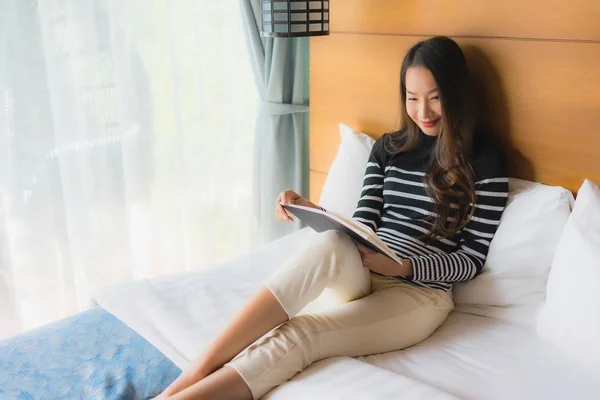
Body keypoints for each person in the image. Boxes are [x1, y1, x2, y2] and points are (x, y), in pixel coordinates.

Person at [156, 36, 509, 400]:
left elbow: (471, 259)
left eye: (435, 97)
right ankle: (198, 370)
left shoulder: (485, 162)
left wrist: (403, 267)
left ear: (456, 93)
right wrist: (313, 212)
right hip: (365, 267)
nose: (423, 111)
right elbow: (362, 224)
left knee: (301, 333)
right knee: (331, 241)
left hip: (418, 295)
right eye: (412, 97)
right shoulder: (388, 148)